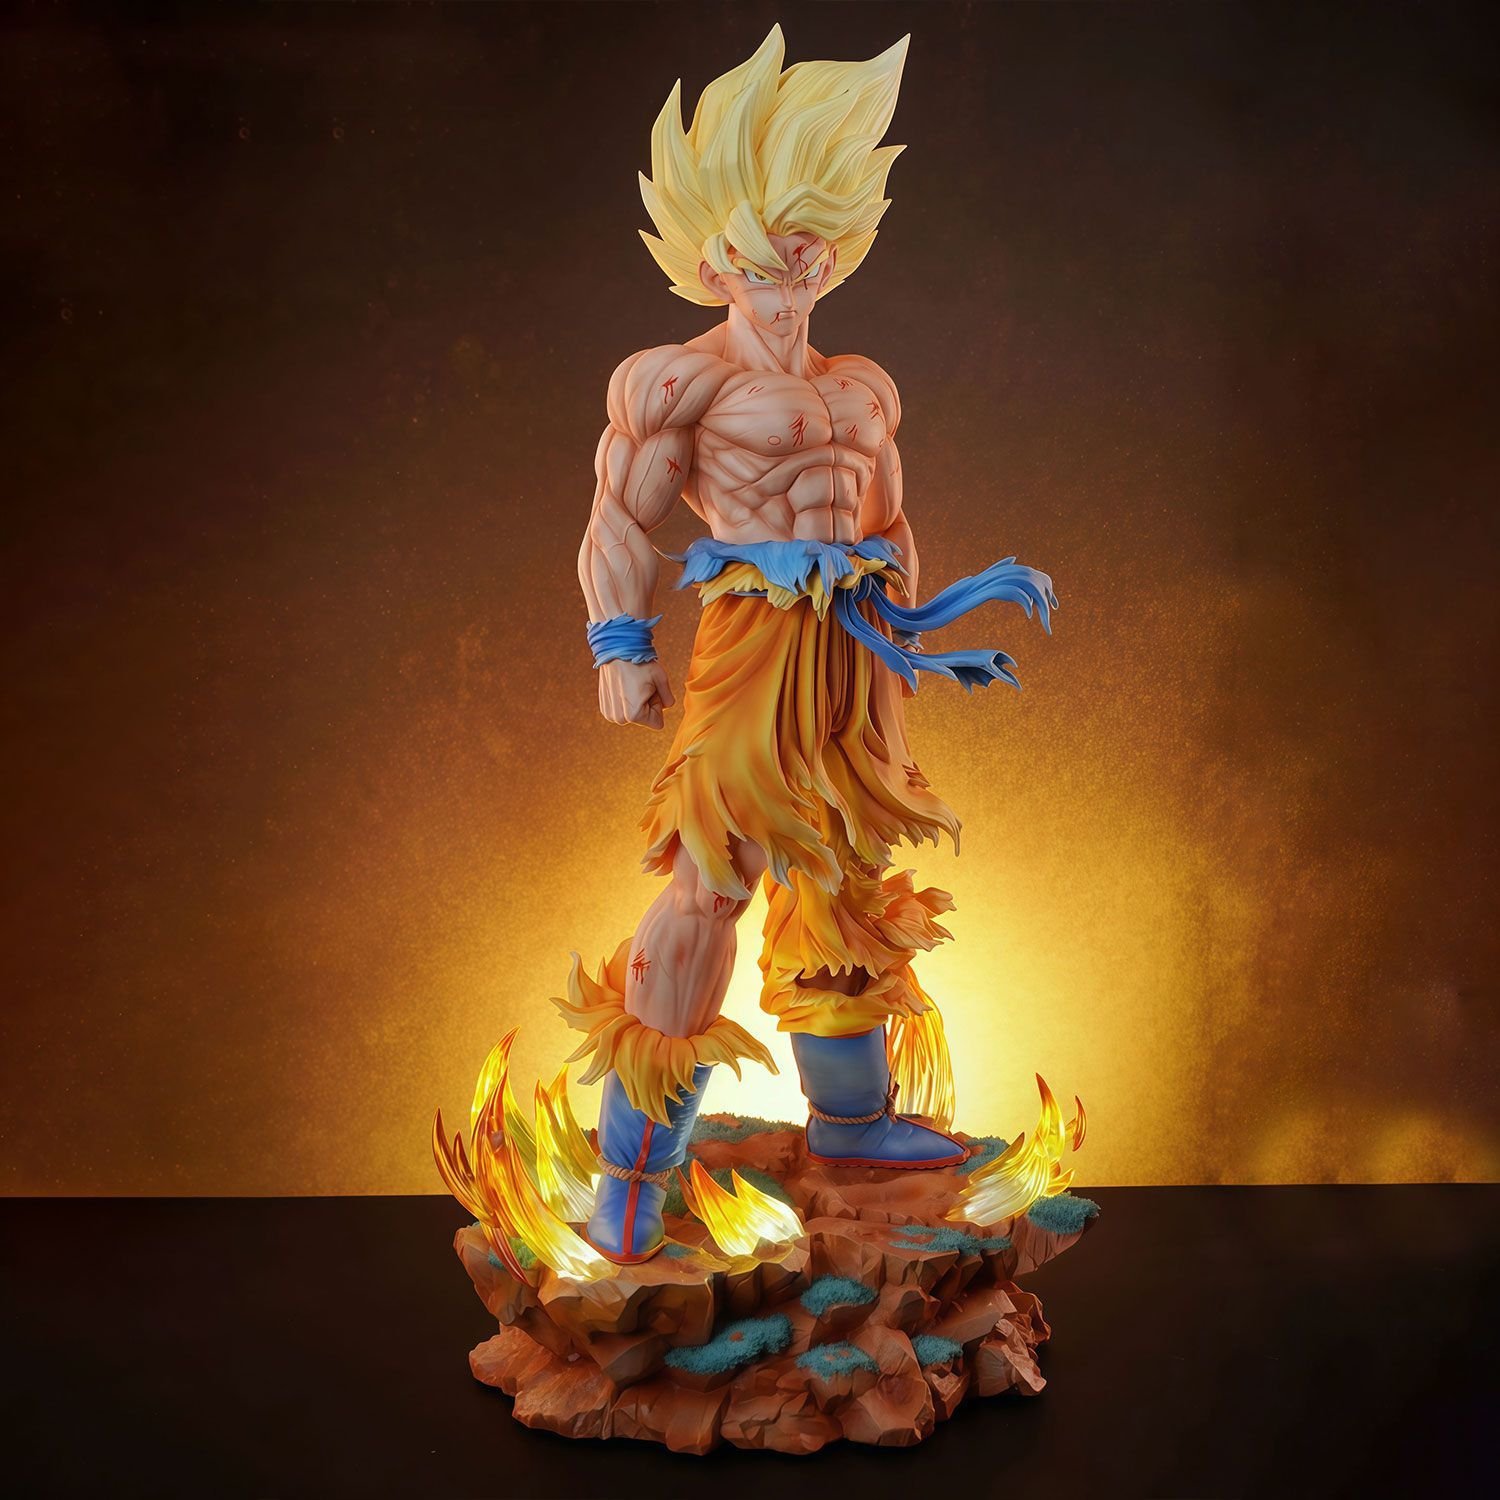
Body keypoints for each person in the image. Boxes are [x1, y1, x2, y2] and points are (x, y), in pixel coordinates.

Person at [559, 26, 1056, 1263]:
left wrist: (908, 644)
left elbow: (889, 523)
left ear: (842, 240)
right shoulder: (674, 382)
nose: (794, 256)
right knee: (713, 874)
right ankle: (633, 1170)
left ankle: (851, 1122)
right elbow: (617, 518)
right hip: (753, 639)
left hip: (857, 646)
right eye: (769, 232)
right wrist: (619, 643)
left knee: (843, 866)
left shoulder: (863, 385)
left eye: (816, 228)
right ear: (712, 255)